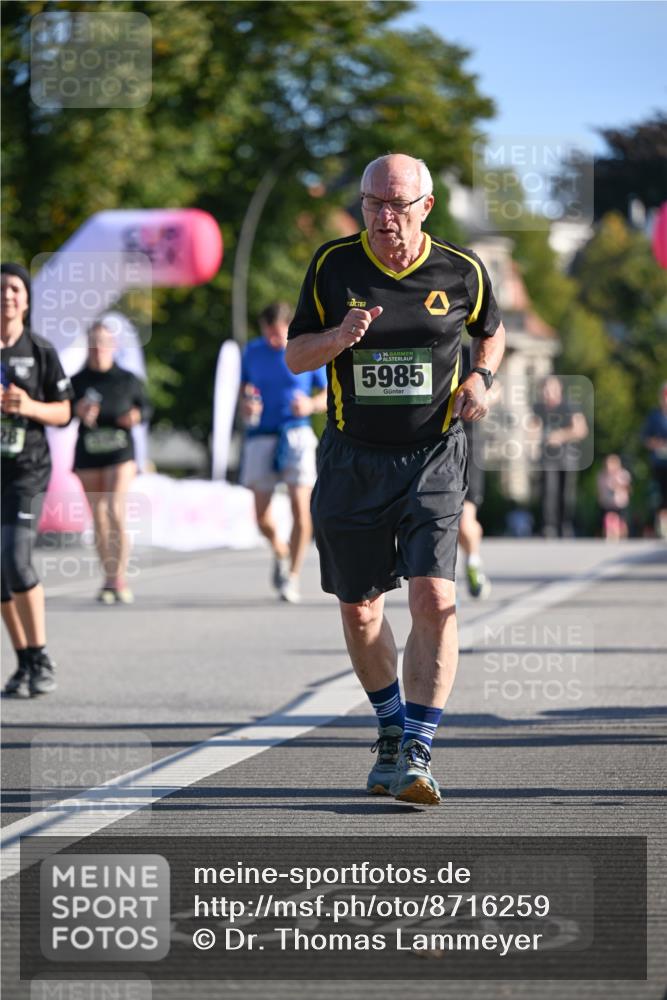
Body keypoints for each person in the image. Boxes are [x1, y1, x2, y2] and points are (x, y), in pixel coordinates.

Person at [286, 154, 505, 804]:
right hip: (352, 458)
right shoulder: (333, 265)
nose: (383, 216)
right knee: (359, 609)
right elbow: (296, 354)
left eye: (396, 205)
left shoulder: (461, 270)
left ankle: (416, 746)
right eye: (372, 203)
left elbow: (490, 335)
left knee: (434, 599)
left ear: (425, 208)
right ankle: (388, 728)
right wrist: (338, 337)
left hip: (433, 454)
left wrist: (481, 378)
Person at [1, 261, 72, 697]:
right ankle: (24, 661)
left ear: (26, 300)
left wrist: (27, 406)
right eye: (1, 289)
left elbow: (63, 413)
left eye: (14, 289)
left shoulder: (40, 350)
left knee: (15, 557)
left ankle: (41, 654)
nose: (6, 296)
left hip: (26, 471)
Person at [240, 302, 327, 603]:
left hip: (297, 433)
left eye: (279, 335)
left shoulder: (303, 349)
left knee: (300, 509)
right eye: (269, 335)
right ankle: (279, 549)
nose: (274, 341)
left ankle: (292, 575)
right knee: (262, 516)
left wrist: (311, 405)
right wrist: (246, 405)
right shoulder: (252, 352)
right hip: (260, 435)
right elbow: (243, 390)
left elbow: (328, 393)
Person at [71, 321, 150, 604]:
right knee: (99, 515)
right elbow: (62, 414)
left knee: (115, 509)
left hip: (120, 452)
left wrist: (135, 417)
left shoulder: (127, 379)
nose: (98, 349)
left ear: (113, 346)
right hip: (89, 452)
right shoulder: (77, 381)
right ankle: (108, 578)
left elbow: (146, 408)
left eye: (103, 342)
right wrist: (77, 410)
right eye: (93, 343)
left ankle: (120, 578)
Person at [532, 375, 588, 538]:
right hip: (547, 457)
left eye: (551, 389)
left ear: (559, 390)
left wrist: (560, 436)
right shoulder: (539, 407)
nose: (548, 393)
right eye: (545, 389)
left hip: (566, 457)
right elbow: (533, 427)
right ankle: (549, 526)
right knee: (548, 492)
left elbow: (581, 430)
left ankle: (565, 525)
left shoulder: (570, 406)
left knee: (565, 494)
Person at [458, 342, 491, 598]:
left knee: (464, 519)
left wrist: (477, 397)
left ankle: (472, 562)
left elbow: (492, 388)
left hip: (467, 446)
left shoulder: (470, 353)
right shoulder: (427, 348)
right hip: (430, 443)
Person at [641, 382, 667, 539]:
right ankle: (662, 527)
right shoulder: (654, 416)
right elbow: (645, 438)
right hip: (659, 463)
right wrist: (656, 444)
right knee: (661, 496)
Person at [597, 454, 631, 540]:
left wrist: (618, 485)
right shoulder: (602, 476)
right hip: (607, 503)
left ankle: (623, 535)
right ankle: (610, 535)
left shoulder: (623, 474)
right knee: (608, 519)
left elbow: (628, 488)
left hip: (620, 502)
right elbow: (600, 490)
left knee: (622, 521)